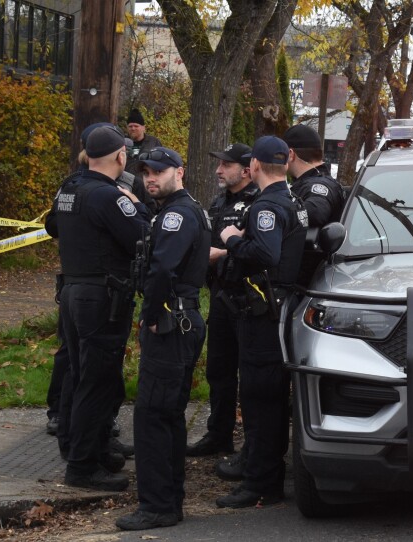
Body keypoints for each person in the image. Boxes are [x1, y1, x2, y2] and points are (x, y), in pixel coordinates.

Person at [46, 126, 151, 491]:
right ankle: (83, 466)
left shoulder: (70, 189)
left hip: (73, 292)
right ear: (121, 156)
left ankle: (84, 448)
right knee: (99, 380)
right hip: (101, 297)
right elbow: (142, 238)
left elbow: (52, 228)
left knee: (79, 374)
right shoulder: (110, 196)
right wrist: (140, 207)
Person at [115, 147, 210, 531]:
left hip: (171, 322)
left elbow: (161, 271)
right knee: (168, 414)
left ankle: (158, 506)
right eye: (146, 172)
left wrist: (150, 316)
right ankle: (169, 499)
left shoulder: (176, 215)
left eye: (159, 171)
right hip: (182, 319)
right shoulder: (185, 209)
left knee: (153, 416)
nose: (151, 178)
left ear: (179, 172)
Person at [214, 136, 307, 509]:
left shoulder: (266, 206)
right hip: (280, 309)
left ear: (253, 166)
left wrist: (232, 240)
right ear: (286, 163)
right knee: (269, 397)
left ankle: (260, 483)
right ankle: (265, 477)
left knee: (259, 398)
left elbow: (266, 253)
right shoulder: (293, 200)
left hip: (263, 313)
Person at [186, 143, 260, 458]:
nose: (219, 170)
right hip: (219, 294)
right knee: (218, 369)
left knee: (252, 375)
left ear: (246, 170)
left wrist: (223, 253)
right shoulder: (218, 203)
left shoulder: (258, 203)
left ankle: (253, 447)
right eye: (219, 164)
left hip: (248, 298)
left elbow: (262, 249)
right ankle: (219, 434)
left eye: (226, 165)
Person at [282, 124, 345, 286]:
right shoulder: (305, 183)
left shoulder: (319, 185)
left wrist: (276, 211)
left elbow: (316, 211)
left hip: (311, 280)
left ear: (290, 154)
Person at [124, 108, 160, 212]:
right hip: (127, 187)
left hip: (148, 189)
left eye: (136, 126)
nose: (133, 128)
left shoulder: (153, 142)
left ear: (143, 127)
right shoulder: (122, 143)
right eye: (130, 126)